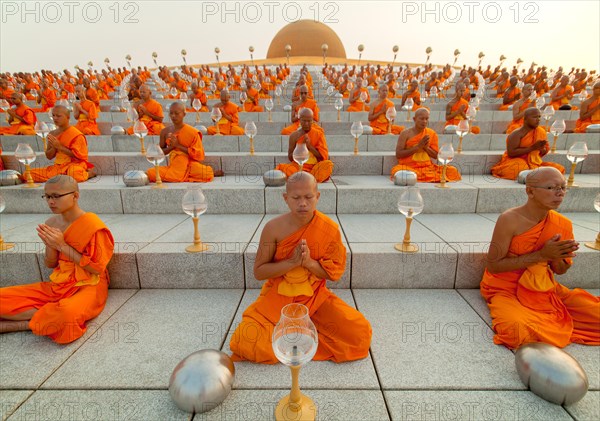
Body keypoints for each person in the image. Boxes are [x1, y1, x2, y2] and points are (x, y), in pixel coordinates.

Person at [229, 172, 372, 363]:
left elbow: (333, 273)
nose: (302, 203)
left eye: (308, 197)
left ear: (317, 197)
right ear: (286, 199)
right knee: (246, 340)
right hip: (279, 296)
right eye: (296, 198)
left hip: (314, 296)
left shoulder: (328, 229)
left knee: (358, 332)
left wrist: (309, 263)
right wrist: (291, 263)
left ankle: (302, 335)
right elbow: (259, 271)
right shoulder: (273, 228)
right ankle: (301, 335)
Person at [481, 167, 599, 349]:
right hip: (506, 288)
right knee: (516, 330)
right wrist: (542, 255)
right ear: (530, 191)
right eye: (552, 188)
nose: (560, 193)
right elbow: (494, 266)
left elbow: (559, 270)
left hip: (543, 288)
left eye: (563, 187)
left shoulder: (561, 224)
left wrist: (559, 256)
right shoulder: (510, 219)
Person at [0, 175, 114, 344]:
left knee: (66, 314)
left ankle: (23, 324)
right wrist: (51, 245)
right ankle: (46, 317)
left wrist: (62, 245)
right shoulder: (52, 223)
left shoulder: (92, 225)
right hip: (59, 284)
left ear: (75, 196)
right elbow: (50, 264)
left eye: (56, 196)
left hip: (89, 284)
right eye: (47, 196)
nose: (50, 202)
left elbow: (96, 269)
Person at [147, 102, 219, 183]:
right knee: (151, 172)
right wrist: (171, 147)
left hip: (189, 163)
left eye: (177, 113)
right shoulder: (165, 132)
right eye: (171, 113)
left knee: (207, 174)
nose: (173, 116)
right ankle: (182, 175)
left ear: (184, 114)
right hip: (175, 164)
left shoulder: (192, 132)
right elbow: (160, 153)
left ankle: (181, 175)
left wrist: (178, 145)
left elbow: (199, 155)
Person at [491, 108, 564, 180]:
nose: (538, 119)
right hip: (516, 161)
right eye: (535, 117)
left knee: (558, 169)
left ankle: (533, 175)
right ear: (525, 119)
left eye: (539, 117)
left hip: (534, 164)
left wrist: (542, 149)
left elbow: (543, 151)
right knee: (519, 169)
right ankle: (536, 176)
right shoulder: (516, 134)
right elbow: (511, 153)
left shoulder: (541, 131)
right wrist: (532, 148)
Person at [390, 108, 461, 182]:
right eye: (421, 119)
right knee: (398, 171)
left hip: (428, 167)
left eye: (427, 119)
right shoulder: (405, 133)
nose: (424, 121)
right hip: (409, 166)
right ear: (414, 119)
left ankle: (424, 176)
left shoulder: (431, 133)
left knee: (453, 171)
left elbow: (436, 156)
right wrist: (417, 147)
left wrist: (426, 148)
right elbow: (398, 154)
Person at [28, 105, 94, 183]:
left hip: (75, 164)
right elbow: (49, 156)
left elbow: (80, 156)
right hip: (58, 167)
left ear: (68, 117)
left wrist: (60, 147)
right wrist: (54, 147)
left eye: (58, 116)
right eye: (53, 115)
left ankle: (89, 174)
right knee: (28, 174)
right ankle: (62, 176)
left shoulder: (76, 134)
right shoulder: (52, 134)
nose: (55, 118)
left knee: (74, 175)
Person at [277, 109, 333, 183]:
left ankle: (302, 178)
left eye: (309, 121)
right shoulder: (294, 136)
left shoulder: (318, 134)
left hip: (314, 167)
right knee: (281, 168)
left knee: (328, 165)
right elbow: (290, 157)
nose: (306, 123)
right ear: (299, 120)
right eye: (304, 121)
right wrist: (300, 148)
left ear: (312, 120)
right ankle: (309, 179)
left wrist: (309, 147)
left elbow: (323, 157)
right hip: (298, 166)